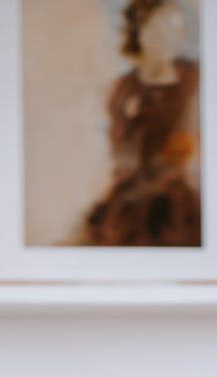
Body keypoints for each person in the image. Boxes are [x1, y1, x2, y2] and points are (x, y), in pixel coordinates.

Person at [83, 0, 202, 248]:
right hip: (133, 197)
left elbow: (191, 148)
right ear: (140, 30)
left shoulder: (195, 80)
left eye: (176, 30)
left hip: (179, 199)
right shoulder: (122, 89)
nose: (169, 38)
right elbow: (120, 153)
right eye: (160, 28)